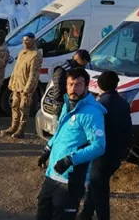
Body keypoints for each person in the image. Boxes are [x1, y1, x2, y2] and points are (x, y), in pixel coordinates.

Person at [35, 68, 106, 220]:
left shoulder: (92, 113)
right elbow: (60, 132)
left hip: (71, 179)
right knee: (42, 213)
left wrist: (70, 159)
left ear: (86, 87)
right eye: (70, 84)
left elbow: (99, 146)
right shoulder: (68, 104)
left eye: (78, 84)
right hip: (52, 174)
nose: (73, 88)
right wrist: (47, 149)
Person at [79, 70, 133, 220]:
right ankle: (85, 215)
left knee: (100, 192)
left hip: (101, 156)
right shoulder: (123, 103)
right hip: (116, 155)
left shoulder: (99, 105)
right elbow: (128, 129)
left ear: (100, 85)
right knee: (96, 186)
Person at [1, 32, 43, 138]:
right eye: (24, 40)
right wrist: (11, 82)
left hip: (25, 87)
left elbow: (33, 74)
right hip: (17, 86)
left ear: (33, 40)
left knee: (24, 108)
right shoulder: (21, 53)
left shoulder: (35, 55)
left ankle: (21, 129)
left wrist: (28, 89)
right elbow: (16, 69)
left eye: (28, 40)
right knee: (15, 106)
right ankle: (13, 127)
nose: (25, 42)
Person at [48, 49, 91, 117]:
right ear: (78, 58)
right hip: (61, 106)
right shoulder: (62, 70)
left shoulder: (74, 69)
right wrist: (62, 105)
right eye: (82, 64)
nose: (83, 67)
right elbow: (58, 93)